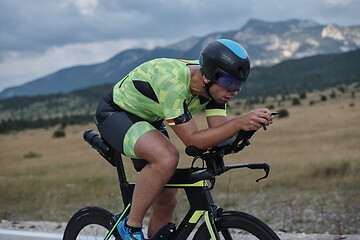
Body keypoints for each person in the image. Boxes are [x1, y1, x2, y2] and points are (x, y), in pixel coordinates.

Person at [94, 39, 275, 240]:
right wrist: (238, 123)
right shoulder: (173, 84)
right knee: (167, 157)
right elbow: (193, 141)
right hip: (116, 113)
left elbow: (219, 133)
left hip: (151, 117)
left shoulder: (216, 90)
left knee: (167, 199)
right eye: (230, 83)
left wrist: (249, 127)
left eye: (239, 84)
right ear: (208, 77)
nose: (234, 91)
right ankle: (129, 226)